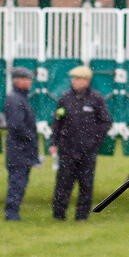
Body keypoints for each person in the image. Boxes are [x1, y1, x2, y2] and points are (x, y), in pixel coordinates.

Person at [48, 65, 112, 220]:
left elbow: (106, 122)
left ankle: (82, 217)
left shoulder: (96, 98)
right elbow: (57, 122)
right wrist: (53, 142)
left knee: (86, 184)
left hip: (87, 150)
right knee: (63, 183)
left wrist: (95, 140)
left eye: (77, 78)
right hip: (67, 149)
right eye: (73, 78)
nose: (74, 81)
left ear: (86, 81)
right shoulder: (65, 98)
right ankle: (59, 215)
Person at [3, 66, 40, 221]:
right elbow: (16, 125)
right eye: (28, 79)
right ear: (19, 81)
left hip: (21, 149)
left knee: (20, 181)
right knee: (17, 182)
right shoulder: (15, 99)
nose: (30, 82)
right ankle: (11, 214)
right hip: (19, 150)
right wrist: (31, 137)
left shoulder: (21, 98)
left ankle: (12, 212)